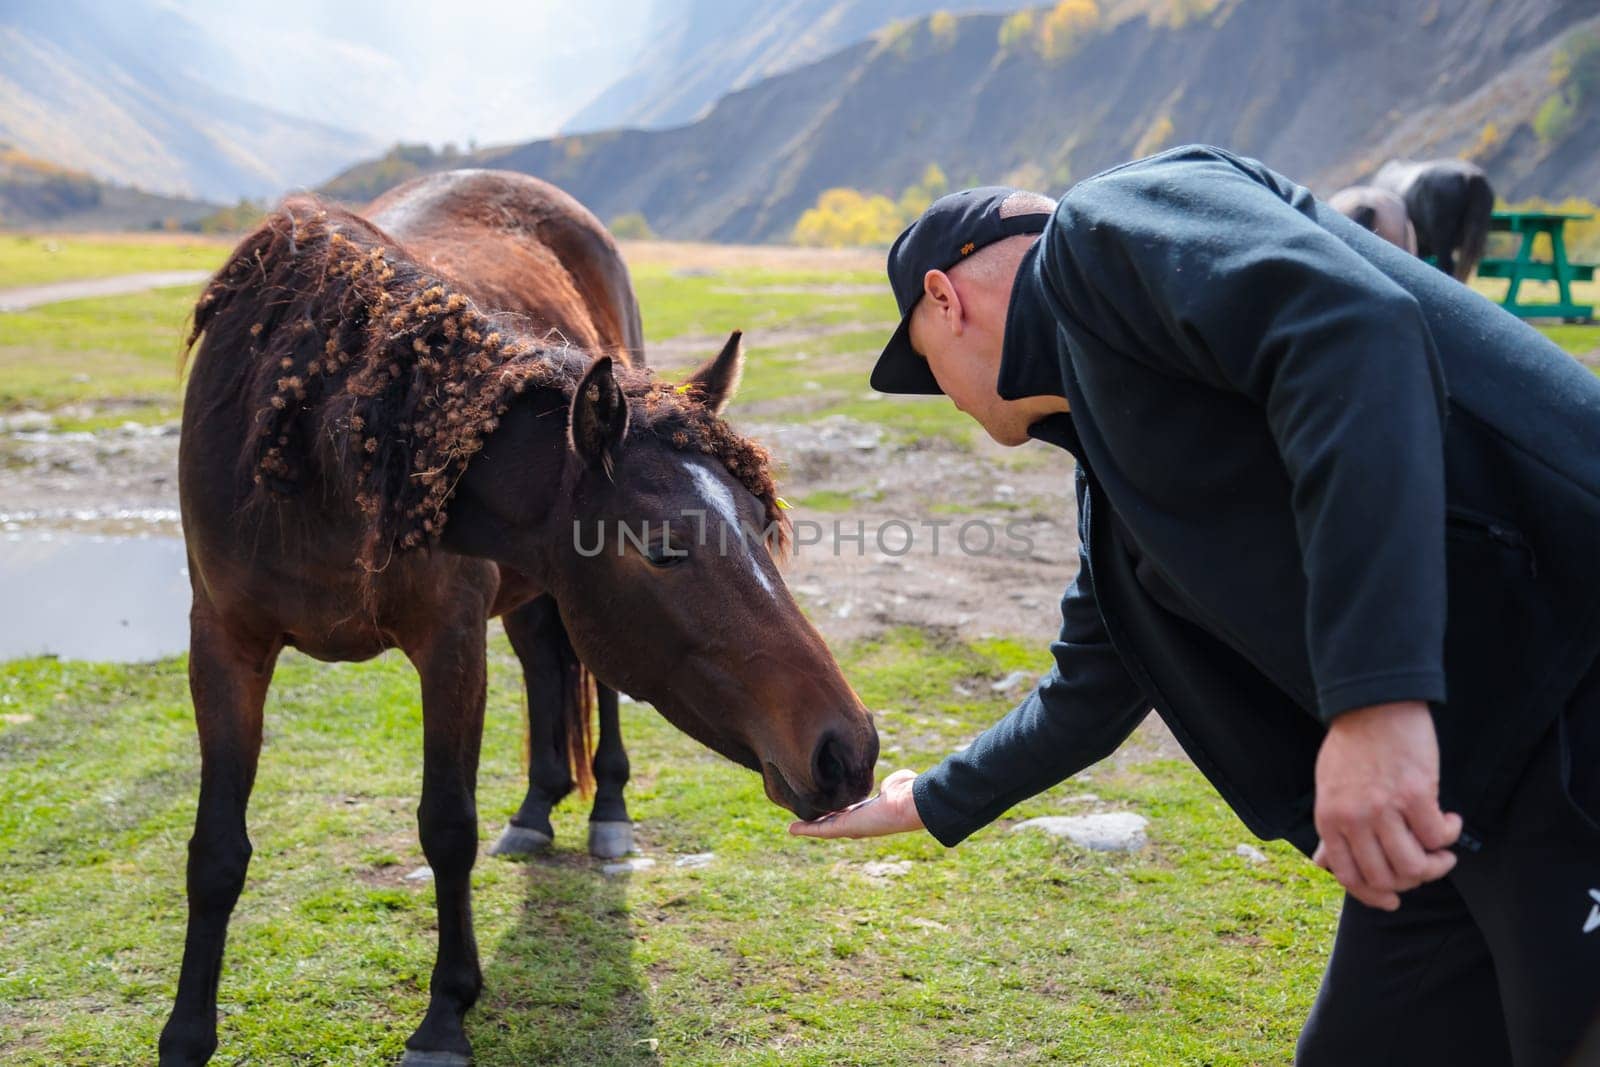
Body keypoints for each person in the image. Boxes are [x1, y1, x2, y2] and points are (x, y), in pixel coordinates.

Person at [790, 145, 1600, 1066]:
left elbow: (1354, 331)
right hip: (1452, 798)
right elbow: (1089, 692)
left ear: (945, 297)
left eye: (925, 365)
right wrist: (930, 800)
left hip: (1567, 676)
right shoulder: (1113, 475)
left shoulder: (1106, 233)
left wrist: (1375, 705)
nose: (940, 393)